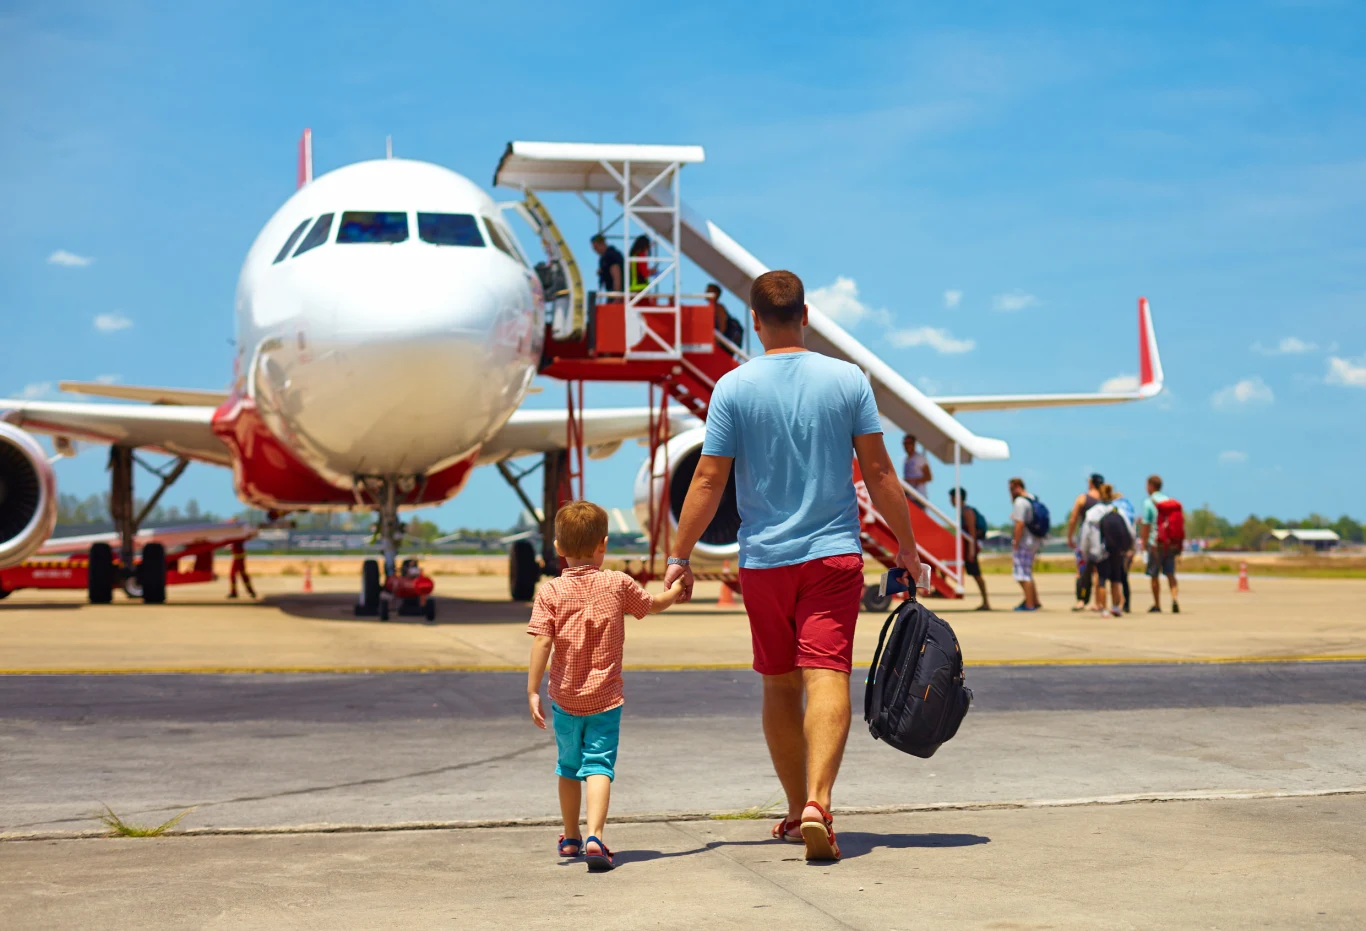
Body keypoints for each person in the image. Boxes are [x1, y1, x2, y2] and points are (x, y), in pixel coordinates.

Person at [663, 270, 923, 862]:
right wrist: (906, 547)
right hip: (832, 555)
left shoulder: (733, 387)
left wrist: (680, 555)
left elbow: (708, 477)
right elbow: (880, 474)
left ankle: (793, 804)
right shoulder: (847, 380)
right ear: (805, 315)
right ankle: (819, 803)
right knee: (827, 675)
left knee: (779, 684)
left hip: (764, 562)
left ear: (755, 321)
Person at [526, 500, 685, 872]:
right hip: (606, 698)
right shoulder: (617, 583)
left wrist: (533, 689)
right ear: (604, 544)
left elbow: (541, 643)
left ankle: (570, 838)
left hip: (564, 698)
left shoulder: (549, 592)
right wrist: (676, 590)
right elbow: (652, 604)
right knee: (599, 766)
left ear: (558, 548)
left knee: (568, 767)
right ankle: (596, 836)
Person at [1136, 474, 1181, 613]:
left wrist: (1143, 543)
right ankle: (1174, 598)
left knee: (1154, 574)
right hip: (1170, 543)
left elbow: (1147, 524)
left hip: (1155, 543)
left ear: (1151, 486)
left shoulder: (1149, 502)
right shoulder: (1169, 501)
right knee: (1170, 573)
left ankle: (1157, 604)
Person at [1066, 473, 1105, 611]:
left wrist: (1070, 536)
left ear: (1091, 483)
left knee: (1082, 570)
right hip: (1101, 539)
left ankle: (1081, 600)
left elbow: (1073, 518)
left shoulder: (1083, 498)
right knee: (1098, 571)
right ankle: (1099, 602)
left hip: (1085, 539)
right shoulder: (1104, 499)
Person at [947, 487, 991, 610]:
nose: (950, 501)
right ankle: (985, 601)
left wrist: (971, 552)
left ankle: (986, 602)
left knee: (977, 574)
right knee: (975, 574)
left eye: (952, 498)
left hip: (971, 548)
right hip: (968, 548)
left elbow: (972, 533)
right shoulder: (961, 512)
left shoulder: (967, 512)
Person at [1009, 477, 1042, 611]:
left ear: (1017, 487)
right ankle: (1034, 600)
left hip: (1025, 541)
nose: (1010, 493)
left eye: (1011, 489)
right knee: (1027, 571)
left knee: (1022, 574)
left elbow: (1020, 523)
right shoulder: (1032, 498)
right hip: (1034, 540)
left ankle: (1029, 604)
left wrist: (1015, 541)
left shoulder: (1020, 502)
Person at [1110, 486, 1137, 613]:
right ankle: (1127, 604)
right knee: (1125, 576)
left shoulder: (1114, 509)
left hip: (1117, 546)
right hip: (1129, 545)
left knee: (1117, 576)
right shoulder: (1129, 510)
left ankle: (1119, 602)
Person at [707, 283, 745, 356]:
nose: (706, 293)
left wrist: (717, 341)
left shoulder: (719, 308)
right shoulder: (711, 307)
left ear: (716, 294)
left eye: (709, 291)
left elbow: (722, 326)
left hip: (721, 343)